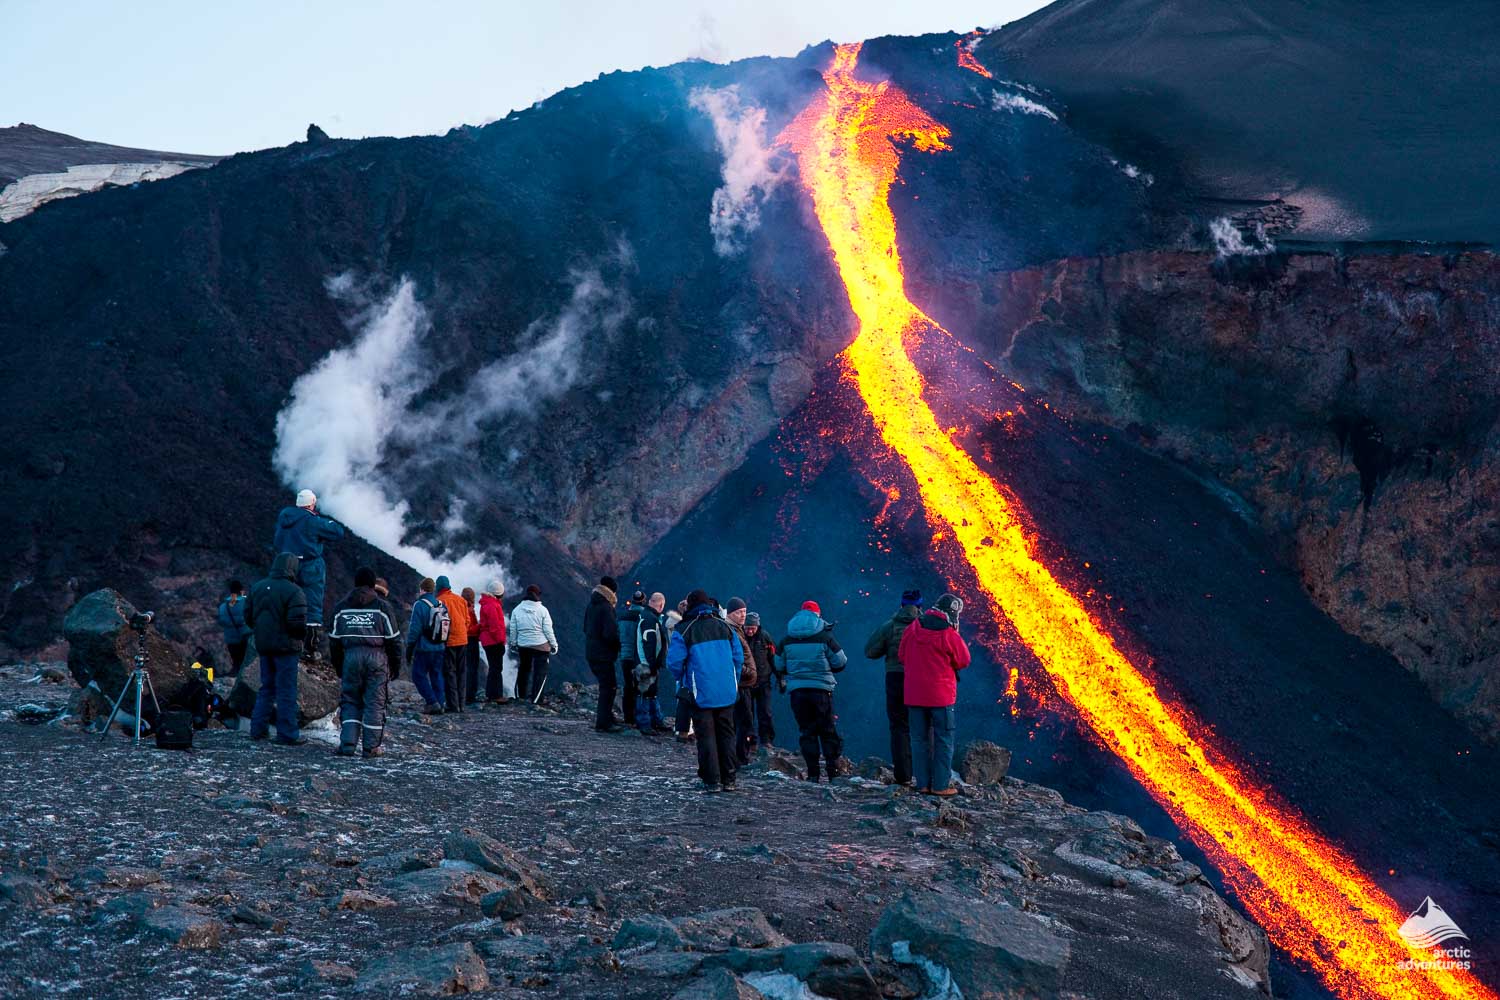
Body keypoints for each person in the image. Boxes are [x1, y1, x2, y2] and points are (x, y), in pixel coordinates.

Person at [667, 590, 743, 792]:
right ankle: (730, 779)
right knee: (727, 733)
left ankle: (712, 780)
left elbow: (674, 662)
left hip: (700, 692)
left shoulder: (684, 630)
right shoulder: (725, 627)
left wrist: (684, 679)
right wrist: (732, 679)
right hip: (726, 691)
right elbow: (738, 657)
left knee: (706, 736)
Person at [899, 592, 972, 795]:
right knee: (943, 739)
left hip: (914, 695)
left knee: (918, 739)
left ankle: (922, 784)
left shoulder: (913, 628)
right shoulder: (948, 634)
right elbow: (964, 660)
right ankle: (940, 786)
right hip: (941, 697)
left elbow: (902, 655)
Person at [330, 567, 403, 758]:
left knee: (350, 700)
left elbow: (334, 641)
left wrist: (339, 667)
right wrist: (395, 666)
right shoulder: (383, 608)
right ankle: (371, 748)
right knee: (374, 703)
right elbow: (394, 640)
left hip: (351, 658)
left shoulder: (341, 608)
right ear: (372, 584)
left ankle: (347, 745)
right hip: (376, 659)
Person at [774, 600, 847, 782]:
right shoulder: (825, 637)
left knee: (807, 732)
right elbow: (841, 661)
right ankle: (833, 773)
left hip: (798, 693)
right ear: (818, 615)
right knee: (828, 730)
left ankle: (813, 774)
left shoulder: (787, 640)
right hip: (821, 691)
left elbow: (778, 664)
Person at [243, 553, 309, 745]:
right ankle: (287, 734)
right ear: (292, 568)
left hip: (264, 645)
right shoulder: (295, 591)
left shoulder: (258, 587)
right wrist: (300, 639)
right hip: (287, 648)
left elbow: (248, 615)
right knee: (286, 690)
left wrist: (261, 632)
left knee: (266, 687)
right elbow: (297, 624)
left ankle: (258, 729)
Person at [271, 489, 345, 660]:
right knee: (311, 604)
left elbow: (277, 542)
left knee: (286, 603)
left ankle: (285, 641)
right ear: (312, 503)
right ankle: (310, 649)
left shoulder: (284, 519)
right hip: (309, 567)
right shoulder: (312, 521)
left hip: (285, 565)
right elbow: (338, 532)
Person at [863, 589, 924, 786]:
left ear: (901, 604)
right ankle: (928, 777)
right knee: (925, 727)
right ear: (920, 606)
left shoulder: (890, 626)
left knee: (899, 727)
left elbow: (870, 651)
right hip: (922, 680)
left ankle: (904, 776)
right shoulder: (928, 626)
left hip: (896, 679)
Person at [583, 575, 622, 732]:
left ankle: (607, 717)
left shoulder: (591, 605)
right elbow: (610, 634)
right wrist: (618, 645)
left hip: (591, 651)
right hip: (603, 655)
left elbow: (585, 627)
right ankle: (603, 723)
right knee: (609, 687)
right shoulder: (606, 608)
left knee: (606, 686)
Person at [405, 577, 449, 713]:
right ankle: (441, 703)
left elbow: (415, 629)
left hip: (424, 647)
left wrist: (409, 648)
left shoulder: (419, 605)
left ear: (422, 589)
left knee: (418, 675)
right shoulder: (441, 604)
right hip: (440, 647)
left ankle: (432, 701)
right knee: (436, 674)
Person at [507, 585, 557, 703]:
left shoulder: (517, 610)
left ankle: (521, 696)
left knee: (524, 669)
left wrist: (513, 644)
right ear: (538, 595)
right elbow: (548, 630)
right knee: (540, 671)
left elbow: (513, 630)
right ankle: (537, 699)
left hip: (524, 645)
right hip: (541, 645)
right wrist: (554, 645)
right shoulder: (543, 610)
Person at [723, 597, 758, 764]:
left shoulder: (737, 629)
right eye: (739, 612)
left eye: (744, 611)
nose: (743, 615)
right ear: (730, 613)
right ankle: (740, 758)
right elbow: (730, 659)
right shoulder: (730, 630)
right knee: (742, 722)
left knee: (742, 722)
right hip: (739, 684)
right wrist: (747, 672)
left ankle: (738, 756)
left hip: (742, 683)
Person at [633, 592, 671, 735]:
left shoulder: (647, 616)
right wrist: (653, 664)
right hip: (645, 664)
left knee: (651, 692)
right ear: (661, 605)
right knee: (644, 693)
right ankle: (645, 723)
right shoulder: (650, 619)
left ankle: (656, 720)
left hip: (645, 662)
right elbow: (649, 643)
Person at [434, 576, 471, 713]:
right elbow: (467, 620)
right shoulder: (461, 600)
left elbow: (438, 622)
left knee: (450, 672)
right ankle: (462, 704)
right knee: (461, 672)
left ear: (438, 587)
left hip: (448, 641)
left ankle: (453, 704)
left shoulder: (439, 601)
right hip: (462, 639)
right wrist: (463, 632)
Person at [743, 611, 777, 749]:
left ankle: (767, 740)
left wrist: (780, 677)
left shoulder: (765, 637)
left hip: (763, 681)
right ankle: (750, 740)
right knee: (747, 713)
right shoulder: (740, 637)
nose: (750, 630)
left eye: (753, 628)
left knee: (765, 712)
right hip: (745, 682)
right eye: (748, 627)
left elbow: (773, 658)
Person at [615, 590, 647, 730]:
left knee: (628, 686)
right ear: (643, 601)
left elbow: (617, 635)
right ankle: (639, 717)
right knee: (641, 687)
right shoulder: (644, 616)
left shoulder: (622, 616)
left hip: (625, 656)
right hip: (638, 656)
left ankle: (628, 717)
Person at [479, 580, 508, 705]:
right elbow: (495, 627)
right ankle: (496, 695)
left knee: (493, 667)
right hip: (493, 641)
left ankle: (491, 694)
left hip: (487, 640)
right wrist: (501, 642)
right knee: (496, 668)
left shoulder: (487, 603)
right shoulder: (493, 605)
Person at [216, 579, 253, 677]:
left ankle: (232, 680)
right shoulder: (247, 603)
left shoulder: (223, 607)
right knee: (248, 665)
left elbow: (221, 621)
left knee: (237, 663)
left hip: (231, 640)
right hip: (245, 638)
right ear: (241, 591)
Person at [668, 599, 692, 742]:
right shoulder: (683, 628)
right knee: (686, 700)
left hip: (681, 668)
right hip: (686, 669)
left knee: (682, 699)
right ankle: (686, 730)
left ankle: (682, 729)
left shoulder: (673, 625)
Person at [461, 586, 483, 707]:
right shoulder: (467, 609)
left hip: (466, 640)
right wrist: (480, 626)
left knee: (469, 668)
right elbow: (468, 628)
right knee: (472, 668)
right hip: (470, 640)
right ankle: (470, 695)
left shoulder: (465, 607)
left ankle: (467, 694)